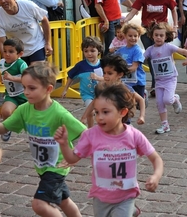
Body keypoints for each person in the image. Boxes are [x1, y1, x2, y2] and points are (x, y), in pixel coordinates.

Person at [0, 62, 86, 217]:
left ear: (48, 89)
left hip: (56, 167)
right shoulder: (24, 109)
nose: (26, 92)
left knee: (39, 205)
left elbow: (85, 135)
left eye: (31, 88)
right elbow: (4, 128)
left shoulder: (60, 114)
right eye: (24, 87)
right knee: (63, 200)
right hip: (42, 166)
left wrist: (74, 157)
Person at [54, 83, 161, 217]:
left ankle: (129, 209)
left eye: (105, 112)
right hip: (101, 197)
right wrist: (64, 144)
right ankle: (132, 210)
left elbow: (156, 158)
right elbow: (72, 159)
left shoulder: (134, 135)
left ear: (122, 112)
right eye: (96, 112)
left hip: (126, 196)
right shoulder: (90, 135)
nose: (99, 117)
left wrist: (155, 176)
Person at [122, 0, 178, 97]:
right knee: (152, 57)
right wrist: (125, 20)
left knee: (163, 55)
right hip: (147, 31)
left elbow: (174, 10)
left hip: (162, 32)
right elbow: (134, 10)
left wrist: (175, 27)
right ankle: (155, 84)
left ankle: (169, 80)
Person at [143, 22, 187, 134]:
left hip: (170, 78)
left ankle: (175, 99)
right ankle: (165, 125)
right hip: (158, 80)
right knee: (159, 103)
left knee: (167, 100)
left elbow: (183, 51)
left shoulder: (169, 47)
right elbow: (140, 58)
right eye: (156, 35)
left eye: (161, 35)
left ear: (166, 37)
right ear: (152, 36)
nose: (158, 38)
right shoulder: (150, 50)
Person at [0, 0, 52, 65]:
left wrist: (47, 43)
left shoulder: (28, 6)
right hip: (17, 50)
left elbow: (44, 20)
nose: (3, 1)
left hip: (37, 46)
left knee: (36, 74)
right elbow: (2, 42)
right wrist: (5, 59)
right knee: (22, 76)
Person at [80, 54, 146, 126]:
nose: (105, 76)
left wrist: (142, 116)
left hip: (123, 125)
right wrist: (84, 117)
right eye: (104, 73)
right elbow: (93, 102)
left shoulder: (125, 89)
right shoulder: (103, 88)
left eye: (110, 73)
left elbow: (141, 100)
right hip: (107, 124)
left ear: (120, 74)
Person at [61, 36, 104, 127]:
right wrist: (65, 89)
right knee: (91, 111)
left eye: (92, 51)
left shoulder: (103, 64)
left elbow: (110, 78)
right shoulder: (80, 66)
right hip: (87, 94)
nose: (89, 54)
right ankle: (91, 130)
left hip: (102, 94)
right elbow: (71, 76)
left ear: (99, 51)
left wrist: (98, 78)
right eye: (86, 51)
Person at [0, 38, 28, 142]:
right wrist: (2, 79)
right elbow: (2, 73)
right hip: (11, 95)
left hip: (25, 95)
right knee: (5, 111)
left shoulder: (21, 64)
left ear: (20, 54)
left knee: (31, 118)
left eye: (11, 52)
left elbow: (27, 79)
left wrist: (12, 78)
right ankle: (7, 129)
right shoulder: (1, 63)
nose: (7, 54)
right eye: (5, 51)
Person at [115, 23, 147, 101]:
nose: (133, 38)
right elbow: (113, 60)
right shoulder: (120, 50)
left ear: (139, 36)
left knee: (138, 102)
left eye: (135, 36)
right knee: (127, 102)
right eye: (130, 36)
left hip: (137, 81)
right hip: (126, 81)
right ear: (125, 36)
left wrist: (121, 72)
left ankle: (144, 95)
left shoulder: (137, 50)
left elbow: (133, 67)